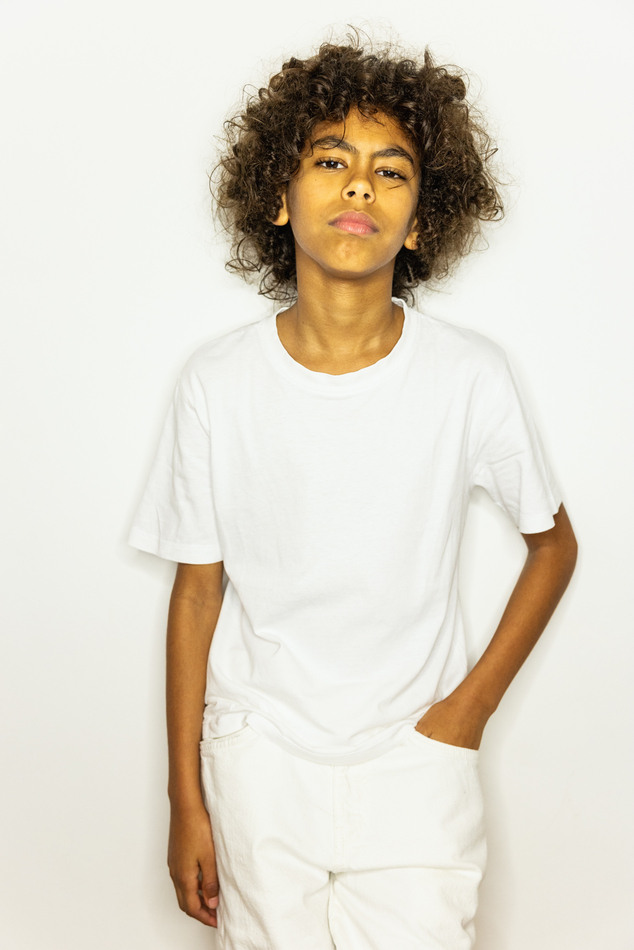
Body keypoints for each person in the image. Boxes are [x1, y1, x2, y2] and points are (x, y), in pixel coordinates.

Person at [127, 34, 578, 950]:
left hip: (417, 760)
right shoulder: (216, 383)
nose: (360, 186)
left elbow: (554, 545)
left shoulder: (469, 376)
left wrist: (466, 714)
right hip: (258, 758)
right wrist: (186, 800)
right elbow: (198, 593)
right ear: (279, 197)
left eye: (391, 170)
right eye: (331, 161)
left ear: (419, 224)